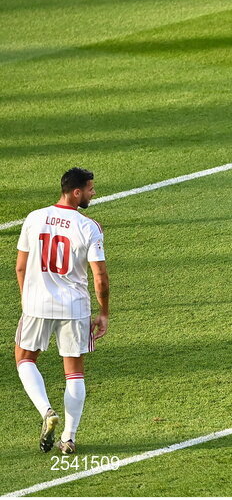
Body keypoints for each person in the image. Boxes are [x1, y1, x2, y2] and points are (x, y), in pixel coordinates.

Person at [14, 167, 109, 454]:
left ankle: (46, 411)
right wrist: (103, 312)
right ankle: (68, 437)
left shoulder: (34, 218)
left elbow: (20, 266)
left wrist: (27, 299)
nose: (93, 193)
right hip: (75, 307)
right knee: (74, 372)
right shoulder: (88, 226)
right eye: (90, 188)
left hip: (37, 304)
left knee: (25, 358)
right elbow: (100, 277)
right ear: (76, 192)